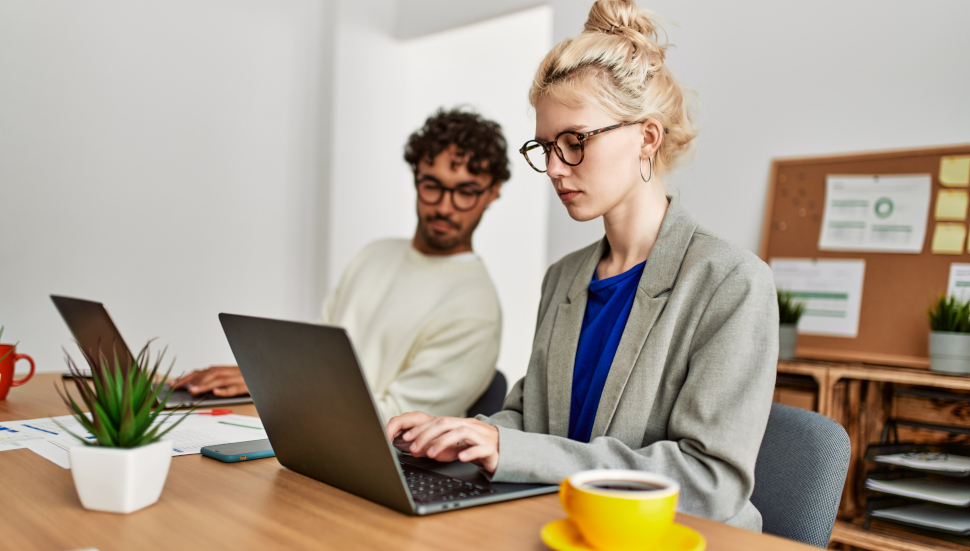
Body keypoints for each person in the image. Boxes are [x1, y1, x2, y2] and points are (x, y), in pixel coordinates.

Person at [385, 0, 778, 531]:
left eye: (574, 142)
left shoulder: (731, 281)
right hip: (569, 525)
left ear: (647, 137)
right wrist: (458, 434)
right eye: (546, 147)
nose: (553, 168)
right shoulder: (564, 278)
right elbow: (531, 419)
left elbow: (709, 482)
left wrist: (508, 447)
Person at [173, 108, 511, 420]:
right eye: (432, 185)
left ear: (493, 191)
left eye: (466, 191)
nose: (445, 208)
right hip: (303, 425)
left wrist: (272, 385)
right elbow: (313, 356)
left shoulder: (476, 310)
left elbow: (398, 422)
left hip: (366, 455)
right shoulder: (375, 255)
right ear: (416, 177)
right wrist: (258, 376)